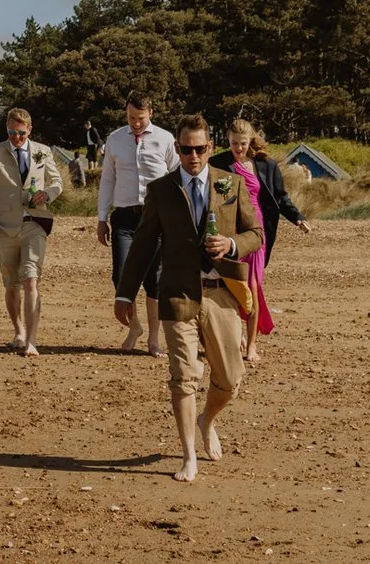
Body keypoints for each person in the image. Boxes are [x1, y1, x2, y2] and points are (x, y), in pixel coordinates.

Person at [112, 115, 262, 483]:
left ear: (210, 148)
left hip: (221, 295)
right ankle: (188, 454)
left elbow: (256, 233)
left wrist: (231, 244)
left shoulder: (231, 185)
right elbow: (144, 244)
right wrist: (125, 292)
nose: (192, 156)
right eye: (185, 149)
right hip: (177, 294)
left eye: (199, 149)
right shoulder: (161, 190)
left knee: (229, 379)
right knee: (183, 377)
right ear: (176, 149)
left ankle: (206, 419)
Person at [220, 118, 310, 363]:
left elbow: (280, 198)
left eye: (242, 143)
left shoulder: (266, 165)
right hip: (231, 232)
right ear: (227, 141)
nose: (238, 148)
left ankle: (251, 345)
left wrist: (297, 218)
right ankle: (234, 334)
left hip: (257, 232)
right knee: (231, 286)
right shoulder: (218, 163)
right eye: (233, 143)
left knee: (252, 285)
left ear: (250, 142)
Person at [95, 95, 179, 357]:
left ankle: (154, 340)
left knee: (154, 280)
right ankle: (135, 327)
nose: (136, 124)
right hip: (124, 216)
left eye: (140, 118)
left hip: (156, 217)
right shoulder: (115, 139)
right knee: (120, 276)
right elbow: (108, 178)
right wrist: (101, 217)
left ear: (150, 113)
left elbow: (178, 177)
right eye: (131, 118)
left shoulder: (166, 139)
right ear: (125, 113)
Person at [0, 109, 64, 356]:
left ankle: (32, 341)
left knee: (30, 278)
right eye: (11, 132)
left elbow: (58, 182)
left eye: (21, 133)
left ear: (30, 130)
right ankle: (18, 331)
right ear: (7, 129)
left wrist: (48, 194)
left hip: (35, 222)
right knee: (11, 282)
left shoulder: (43, 151)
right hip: (3, 227)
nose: (16, 137)